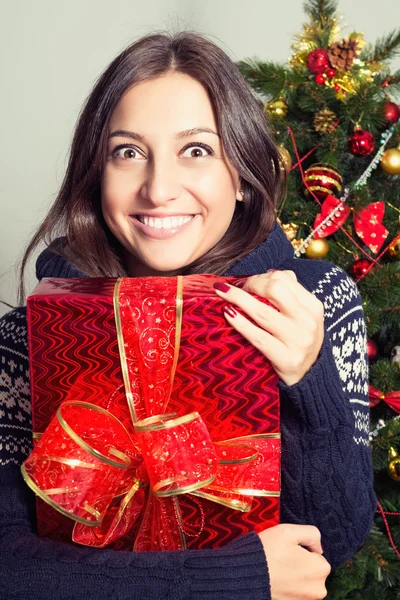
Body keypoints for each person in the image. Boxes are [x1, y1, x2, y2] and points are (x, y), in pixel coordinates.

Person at [0, 31, 376, 600]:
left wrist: (308, 376)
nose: (158, 189)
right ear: (96, 175)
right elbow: (9, 562)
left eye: (196, 150)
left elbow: (334, 543)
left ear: (243, 175)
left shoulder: (315, 300)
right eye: (128, 152)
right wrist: (230, 578)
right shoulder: (30, 333)